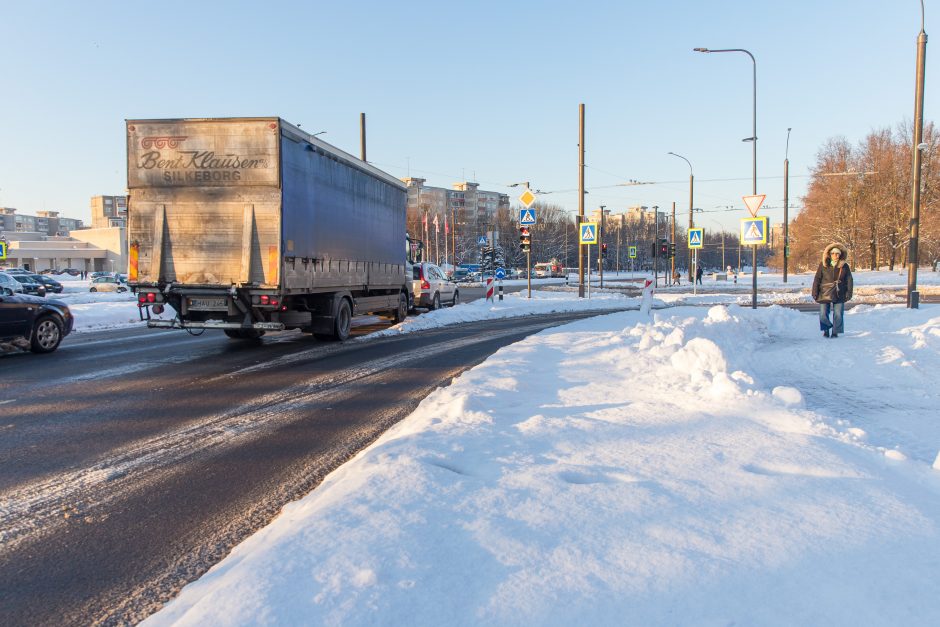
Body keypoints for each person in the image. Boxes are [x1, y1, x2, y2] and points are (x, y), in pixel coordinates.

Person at [812, 243, 854, 338]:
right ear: (829, 254)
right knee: (823, 314)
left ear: (840, 255)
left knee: (838, 313)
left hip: (840, 292)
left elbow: (849, 280)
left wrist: (849, 293)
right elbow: (817, 279)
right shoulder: (823, 265)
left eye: (837, 253)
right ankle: (826, 329)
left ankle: (835, 331)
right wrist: (814, 292)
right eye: (833, 253)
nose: (835, 255)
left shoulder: (844, 266)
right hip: (824, 292)